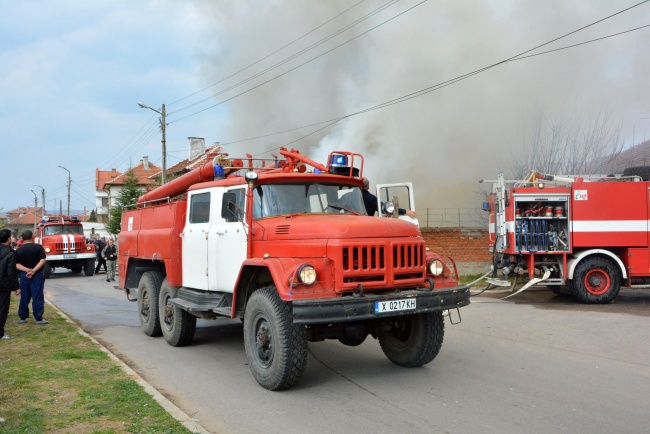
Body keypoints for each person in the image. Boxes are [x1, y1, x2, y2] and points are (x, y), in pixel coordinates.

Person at [15, 230, 48, 325]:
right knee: (37, 295)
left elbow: (16, 264)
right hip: (37, 274)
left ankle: (23, 317)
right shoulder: (38, 247)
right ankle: (38, 318)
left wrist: (27, 270)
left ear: (22, 238)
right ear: (32, 237)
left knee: (24, 296)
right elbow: (42, 260)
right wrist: (33, 270)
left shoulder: (19, 250)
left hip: (24, 275)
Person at [0, 229, 20, 339]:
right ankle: (0, 333)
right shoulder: (11, 253)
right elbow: (11, 272)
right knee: (2, 309)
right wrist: (16, 287)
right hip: (3, 284)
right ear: (8, 239)